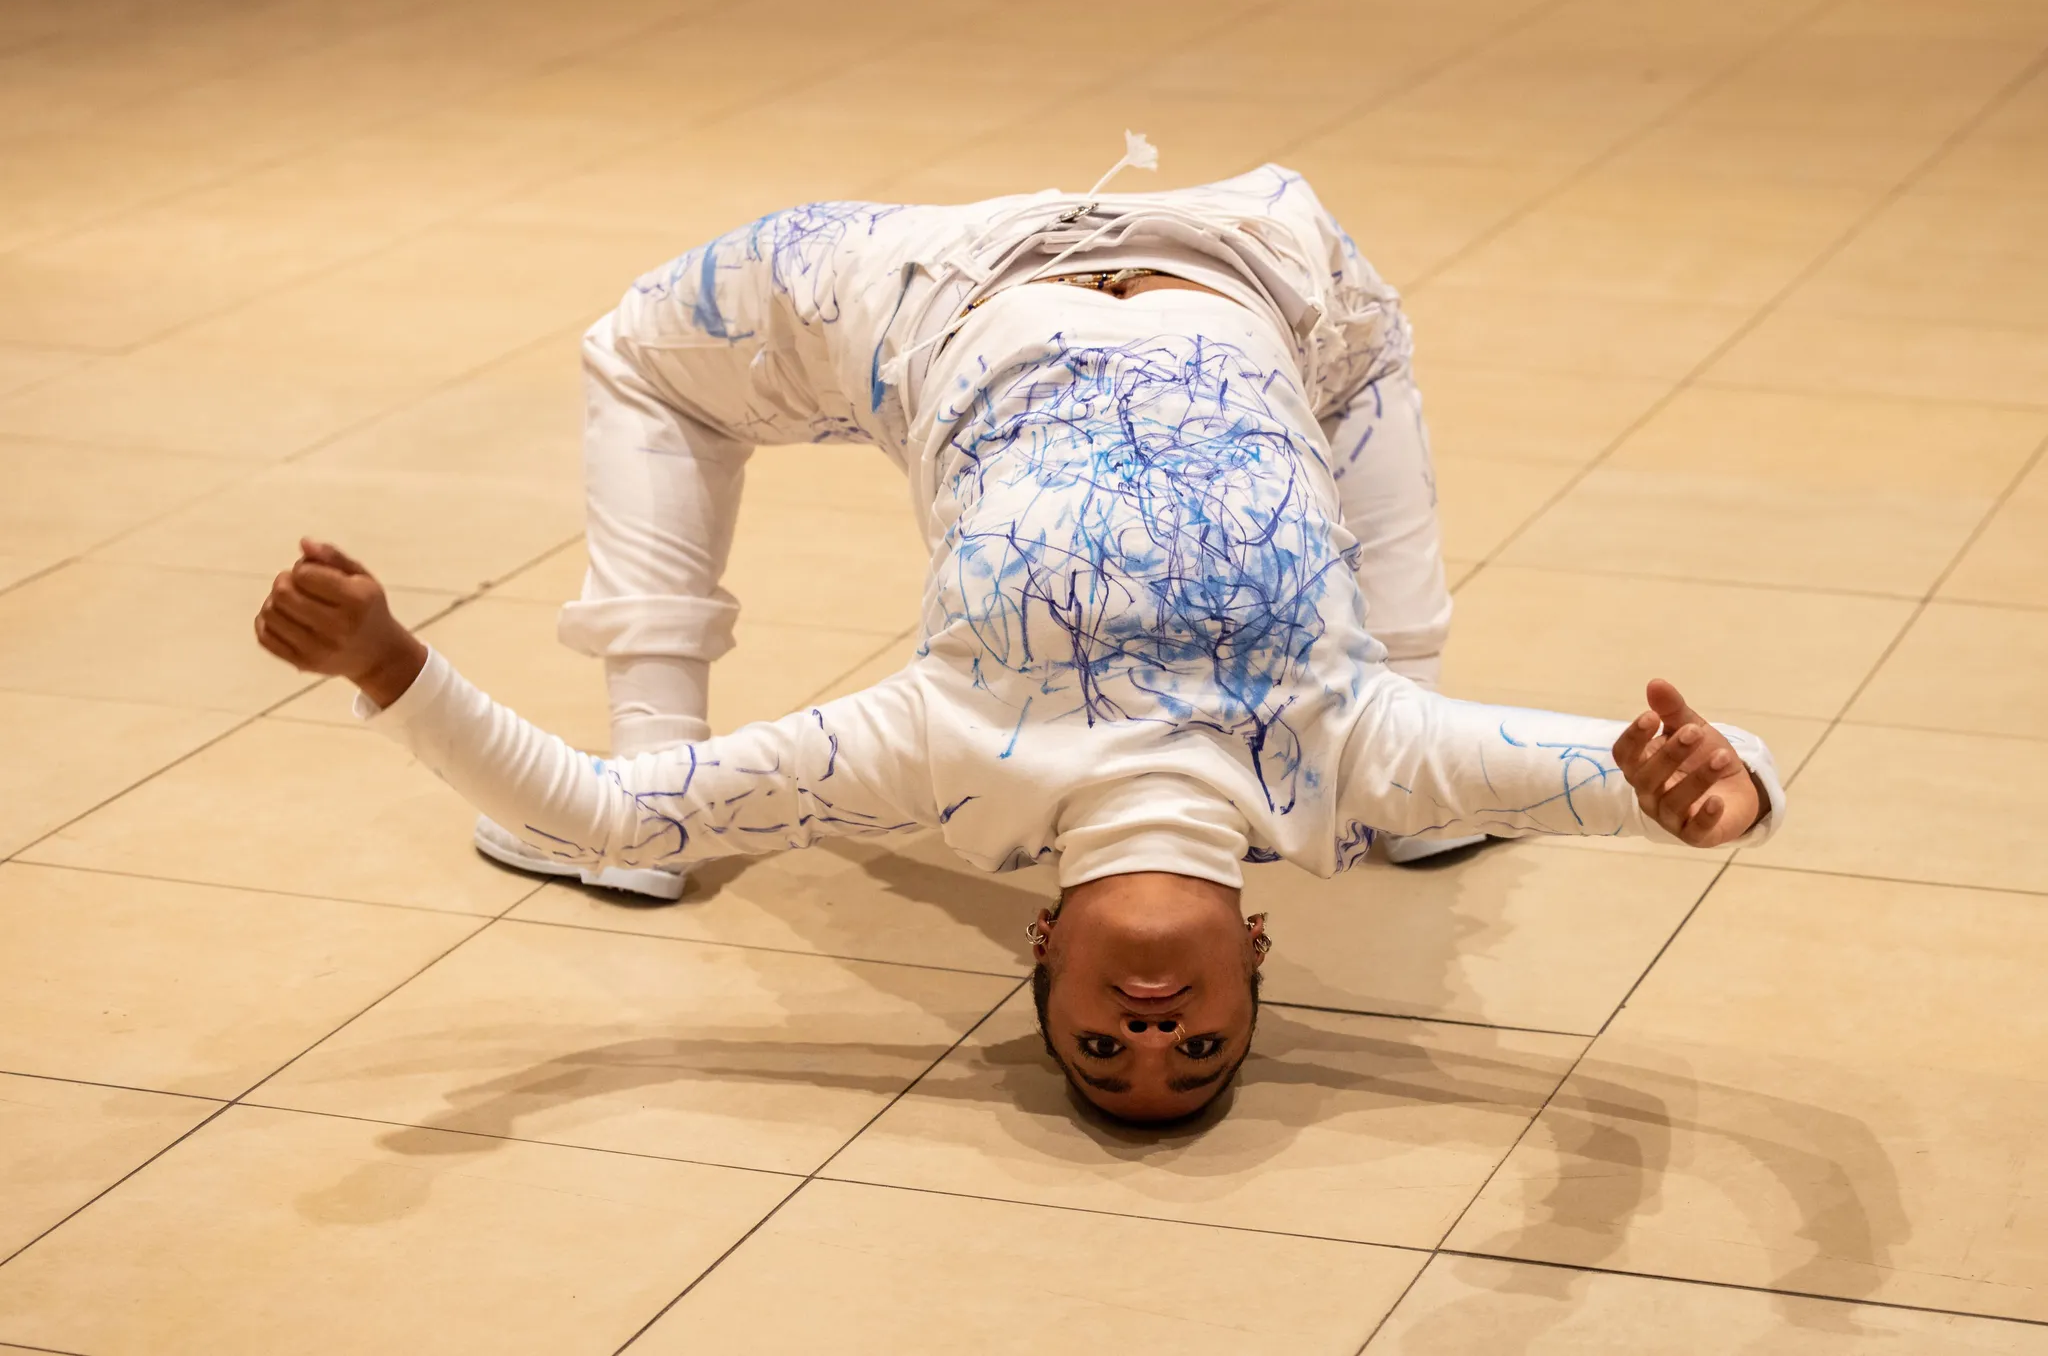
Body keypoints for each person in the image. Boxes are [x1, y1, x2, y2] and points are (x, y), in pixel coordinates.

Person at [253, 142, 1785, 1125]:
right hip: (1270, 274)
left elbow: (580, 802)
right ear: (1253, 955)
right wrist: (1724, 792)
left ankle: (664, 740)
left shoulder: (943, 762)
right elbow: (1683, 781)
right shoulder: (1345, 763)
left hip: (945, 287)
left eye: (1101, 1049)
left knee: (640, 352)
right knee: (1370, 371)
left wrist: (388, 660)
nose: (1150, 1032)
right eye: (1199, 1052)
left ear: (1043, 951)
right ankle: (1434, 774)